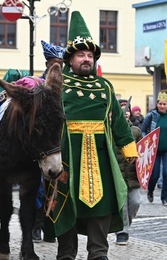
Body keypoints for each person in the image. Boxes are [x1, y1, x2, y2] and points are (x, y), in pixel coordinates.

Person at [45, 11, 137, 260]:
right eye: (80, 55)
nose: (86, 59)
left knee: (102, 205)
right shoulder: (58, 83)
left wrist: (129, 149)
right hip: (67, 156)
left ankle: (98, 253)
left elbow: (117, 119)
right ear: (70, 59)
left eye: (89, 55)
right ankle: (66, 254)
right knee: (66, 205)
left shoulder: (105, 86)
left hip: (101, 158)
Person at [32, 40, 64, 243]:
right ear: (47, 65)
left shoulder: (67, 87)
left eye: (61, 64)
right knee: (38, 188)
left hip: (60, 145)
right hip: (41, 147)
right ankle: (36, 225)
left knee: (58, 190)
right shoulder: (36, 85)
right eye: (54, 63)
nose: (58, 68)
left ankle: (53, 228)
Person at [115, 99, 142, 245]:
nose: (125, 113)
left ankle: (125, 226)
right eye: (122, 109)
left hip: (133, 175)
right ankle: (122, 232)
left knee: (135, 202)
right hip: (118, 175)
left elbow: (144, 152)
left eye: (127, 110)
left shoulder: (136, 131)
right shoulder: (111, 130)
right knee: (123, 206)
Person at [140, 91, 167, 205]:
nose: (162, 106)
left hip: (166, 149)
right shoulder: (151, 115)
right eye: (160, 104)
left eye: (165, 104)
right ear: (157, 104)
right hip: (153, 149)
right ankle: (150, 191)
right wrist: (146, 141)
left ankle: (164, 197)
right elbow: (142, 130)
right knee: (154, 174)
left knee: (166, 173)